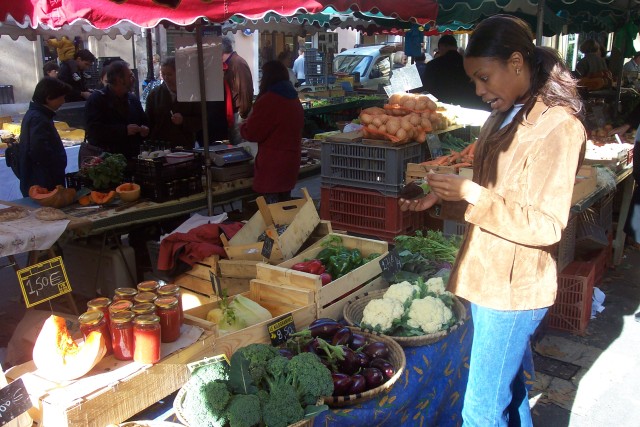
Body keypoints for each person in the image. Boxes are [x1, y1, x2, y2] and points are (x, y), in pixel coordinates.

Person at [399, 15, 586, 426]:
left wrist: (471, 194)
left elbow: (547, 225)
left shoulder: (558, 127)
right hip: (484, 277)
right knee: (511, 392)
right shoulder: (501, 117)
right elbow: (492, 191)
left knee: (481, 411)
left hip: (512, 291)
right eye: (475, 82)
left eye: (484, 78)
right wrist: (442, 197)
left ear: (516, 63)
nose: (480, 91)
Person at [240, 60, 303, 204]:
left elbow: (253, 133)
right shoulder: (293, 98)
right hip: (290, 160)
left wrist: (242, 126)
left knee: (272, 212)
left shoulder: (269, 100)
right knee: (284, 207)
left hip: (272, 164)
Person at [84, 60, 149, 170]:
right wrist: (124, 130)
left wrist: (145, 129)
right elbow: (93, 130)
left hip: (132, 160)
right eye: (130, 76)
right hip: (108, 163)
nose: (133, 79)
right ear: (119, 79)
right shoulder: (97, 99)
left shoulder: (132, 99)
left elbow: (144, 121)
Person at [17, 77, 72, 197]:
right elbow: (39, 151)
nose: (63, 101)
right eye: (61, 97)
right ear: (48, 98)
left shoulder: (38, 115)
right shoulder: (38, 118)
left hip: (41, 179)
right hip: (43, 182)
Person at [145, 57, 201, 149]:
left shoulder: (191, 93)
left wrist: (183, 120)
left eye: (169, 74)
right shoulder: (154, 94)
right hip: (161, 146)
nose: (166, 78)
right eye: (163, 74)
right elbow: (149, 120)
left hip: (184, 145)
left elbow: (200, 120)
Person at [422, 35, 488, 110]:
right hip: (468, 106)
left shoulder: (433, 65)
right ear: (456, 47)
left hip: (440, 108)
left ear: (441, 46)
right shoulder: (468, 64)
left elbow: (427, 88)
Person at [222, 36, 254, 145]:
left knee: (240, 146)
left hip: (239, 113)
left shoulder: (237, 63)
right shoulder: (231, 63)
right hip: (234, 112)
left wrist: (243, 114)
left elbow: (244, 89)